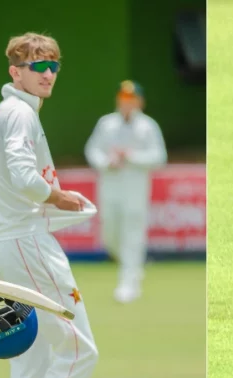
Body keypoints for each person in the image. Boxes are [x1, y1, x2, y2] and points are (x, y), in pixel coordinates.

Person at [0, 31, 99, 378]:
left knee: (30, 361)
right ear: (15, 72)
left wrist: (56, 205)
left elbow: (16, 179)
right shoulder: (18, 113)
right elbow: (24, 176)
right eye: (37, 65)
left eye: (53, 65)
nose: (47, 73)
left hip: (12, 243)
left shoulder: (13, 111)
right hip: (27, 244)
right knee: (78, 350)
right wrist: (58, 197)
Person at [84, 80, 167, 303]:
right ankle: (133, 265)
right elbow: (92, 150)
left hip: (135, 188)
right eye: (123, 99)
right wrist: (106, 161)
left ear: (140, 102)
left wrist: (131, 156)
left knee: (132, 232)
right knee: (110, 234)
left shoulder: (148, 126)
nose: (127, 104)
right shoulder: (107, 124)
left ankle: (129, 282)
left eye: (131, 100)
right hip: (110, 187)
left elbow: (159, 157)